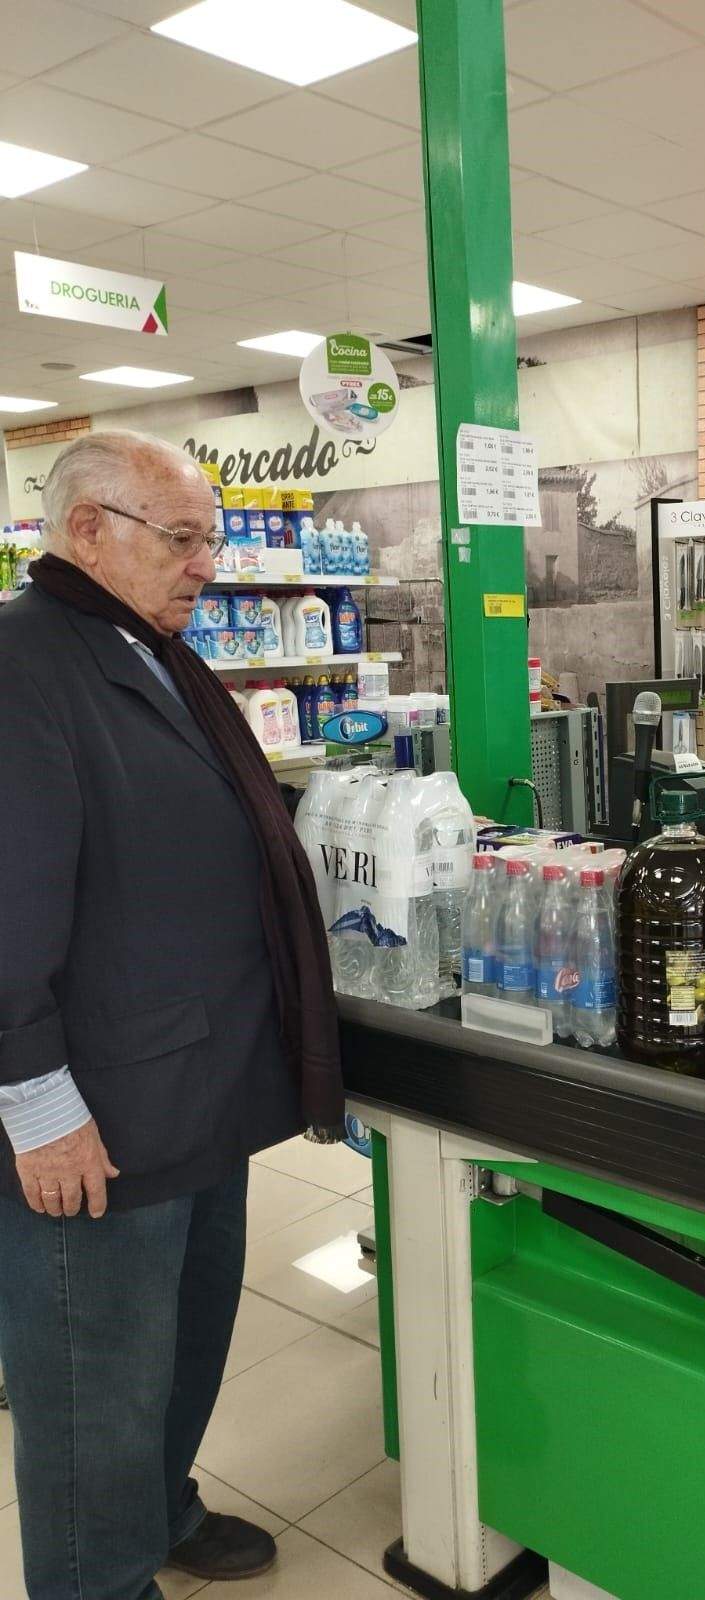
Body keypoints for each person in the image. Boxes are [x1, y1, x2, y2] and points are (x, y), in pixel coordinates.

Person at [0, 431, 344, 1600]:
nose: (208, 563)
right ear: (89, 530)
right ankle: (97, 1578)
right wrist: (38, 1107)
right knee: (92, 1382)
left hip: (197, 1088)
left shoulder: (149, 650)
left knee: (184, 1340)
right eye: (184, 538)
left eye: (213, 538)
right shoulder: (21, 663)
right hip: (97, 1116)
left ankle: (158, 1505)